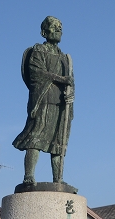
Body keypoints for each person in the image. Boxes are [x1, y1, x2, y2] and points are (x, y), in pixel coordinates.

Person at [13, 16, 74, 185]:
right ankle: (29, 176)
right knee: (36, 137)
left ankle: (58, 180)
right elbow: (36, 74)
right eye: (55, 27)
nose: (59, 30)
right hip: (43, 100)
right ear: (44, 32)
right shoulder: (38, 50)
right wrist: (61, 79)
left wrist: (70, 94)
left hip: (60, 104)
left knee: (58, 142)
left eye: (60, 27)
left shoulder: (65, 57)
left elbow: (71, 80)